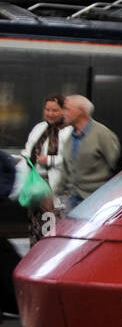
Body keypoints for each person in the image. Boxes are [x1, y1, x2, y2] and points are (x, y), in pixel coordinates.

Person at [23, 94, 72, 244]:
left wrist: (49, 160)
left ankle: (48, 253)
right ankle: (35, 255)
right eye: (48, 110)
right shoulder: (39, 128)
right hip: (36, 183)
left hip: (55, 186)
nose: (50, 114)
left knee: (51, 225)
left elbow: (71, 159)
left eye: (55, 110)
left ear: (63, 111)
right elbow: (28, 151)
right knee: (35, 223)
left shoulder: (69, 131)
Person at [60, 95, 121, 211]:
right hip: (72, 201)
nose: (63, 113)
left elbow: (118, 167)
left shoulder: (103, 135)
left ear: (81, 111)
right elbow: (66, 171)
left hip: (97, 202)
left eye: (67, 109)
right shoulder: (70, 137)